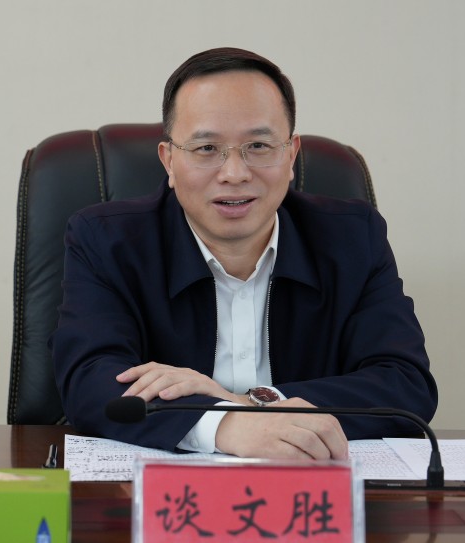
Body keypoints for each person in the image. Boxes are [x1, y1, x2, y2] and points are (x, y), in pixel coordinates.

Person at [51, 47, 437, 460]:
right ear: (169, 161)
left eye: (258, 145)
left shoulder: (354, 238)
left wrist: (251, 403)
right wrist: (224, 425)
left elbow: (405, 383)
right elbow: (91, 379)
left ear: (291, 155)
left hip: (310, 486)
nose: (234, 173)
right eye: (206, 149)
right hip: (168, 491)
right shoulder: (107, 241)